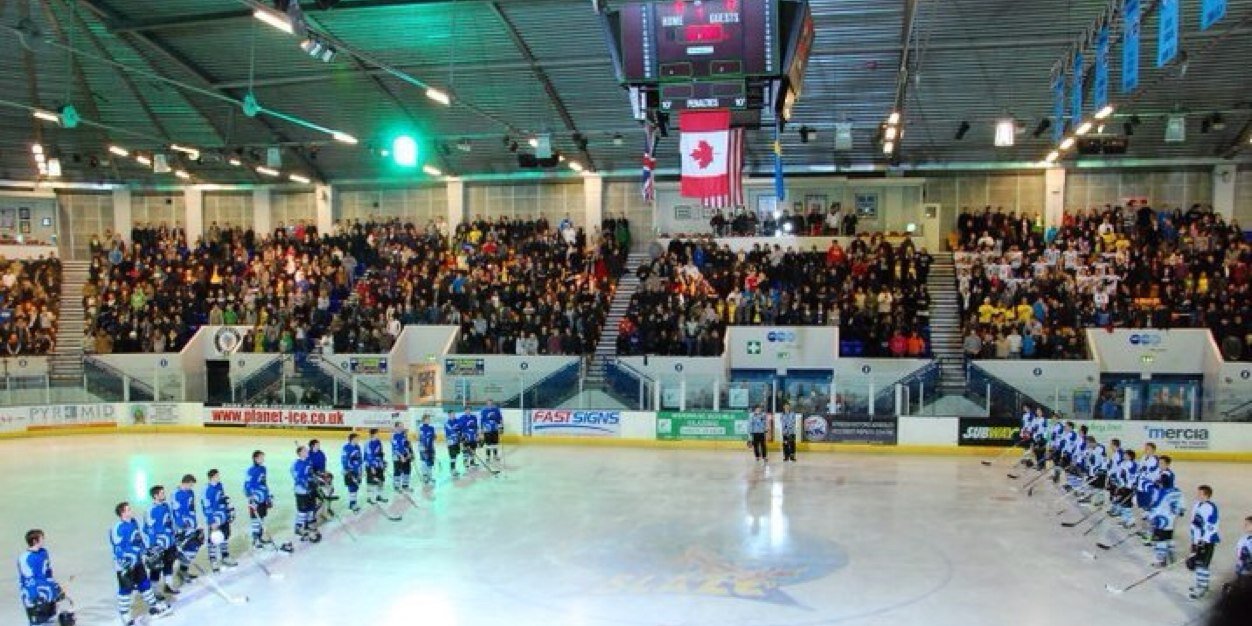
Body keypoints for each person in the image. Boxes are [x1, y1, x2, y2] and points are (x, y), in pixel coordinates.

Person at [110, 502, 171, 624]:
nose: (131, 511)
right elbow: (118, 548)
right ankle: (125, 616)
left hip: (137, 562)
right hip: (125, 565)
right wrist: (126, 560)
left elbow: (138, 540)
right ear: (122, 513)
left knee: (144, 584)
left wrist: (146, 551)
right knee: (125, 590)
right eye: (128, 510)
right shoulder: (117, 528)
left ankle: (153, 607)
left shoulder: (133, 522)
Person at [17, 529, 72, 626]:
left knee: (52, 621)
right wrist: (35, 596)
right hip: (34, 597)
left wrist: (57, 589)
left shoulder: (43, 552)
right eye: (42, 538)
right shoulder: (24, 558)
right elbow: (28, 580)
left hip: (49, 594)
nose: (44, 540)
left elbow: (48, 574)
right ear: (35, 541)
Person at [143, 485, 179, 599]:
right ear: (156, 495)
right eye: (162, 493)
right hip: (159, 545)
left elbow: (170, 522)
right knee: (156, 568)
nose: (164, 494)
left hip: (169, 542)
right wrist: (153, 546)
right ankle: (154, 590)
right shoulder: (150, 510)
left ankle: (168, 585)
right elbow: (148, 529)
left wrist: (174, 534)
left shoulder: (166, 506)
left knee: (169, 564)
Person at [1188, 484, 1221, 600]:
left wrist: (1203, 540)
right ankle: (1202, 584)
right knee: (1197, 563)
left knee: (1202, 564)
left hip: (1206, 542)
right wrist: (1194, 541)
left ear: (1206, 495)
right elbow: (1194, 523)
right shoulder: (1197, 505)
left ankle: (1201, 588)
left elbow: (1212, 526)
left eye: (1200, 493)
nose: (1197, 495)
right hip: (1197, 541)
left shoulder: (1211, 508)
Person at [201, 469, 238, 571]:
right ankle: (213, 561)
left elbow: (222, 498)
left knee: (225, 536)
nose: (219, 477)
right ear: (212, 477)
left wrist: (229, 509)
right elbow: (206, 506)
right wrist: (211, 521)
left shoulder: (219, 485)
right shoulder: (206, 490)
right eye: (217, 476)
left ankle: (225, 556)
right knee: (213, 539)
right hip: (214, 518)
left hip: (223, 516)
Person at [1148, 470, 1184, 567]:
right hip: (1171, 519)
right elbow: (1181, 508)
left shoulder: (1162, 493)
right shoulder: (1177, 491)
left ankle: (1161, 560)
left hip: (1161, 520)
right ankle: (1172, 556)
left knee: (1160, 540)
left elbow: (1156, 507)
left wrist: (1151, 517)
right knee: (1169, 537)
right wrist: (1179, 511)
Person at [170, 474, 202, 587]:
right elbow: (176, 513)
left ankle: (184, 570)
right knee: (177, 552)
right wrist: (182, 526)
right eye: (191, 484)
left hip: (190, 526)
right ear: (185, 483)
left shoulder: (190, 493)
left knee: (193, 546)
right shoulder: (176, 494)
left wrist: (195, 524)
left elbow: (192, 509)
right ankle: (169, 581)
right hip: (180, 528)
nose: (191, 487)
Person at [244, 450, 278, 550]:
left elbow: (264, 483)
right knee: (255, 519)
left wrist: (268, 496)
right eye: (261, 457)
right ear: (255, 459)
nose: (263, 459)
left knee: (261, 517)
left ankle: (260, 537)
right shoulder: (251, 471)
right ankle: (255, 540)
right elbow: (246, 485)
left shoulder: (263, 469)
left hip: (262, 497)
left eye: (263, 457)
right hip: (255, 498)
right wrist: (251, 498)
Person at [291, 445, 321, 543]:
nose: (307, 451)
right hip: (302, 491)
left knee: (311, 509)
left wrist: (315, 479)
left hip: (310, 490)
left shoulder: (308, 461)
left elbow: (310, 474)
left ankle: (308, 526)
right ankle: (299, 528)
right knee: (303, 511)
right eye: (305, 450)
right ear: (300, 453)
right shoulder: (297, 464)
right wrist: (307, 484)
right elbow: (298, 478)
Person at [363, 429, 388, 504]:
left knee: (381, 480)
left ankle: (378, 496)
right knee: (371, 481)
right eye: (377, 433)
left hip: (379, 464)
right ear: (373, 434)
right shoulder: (368, 443)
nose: (378, 435)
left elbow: (380, 453)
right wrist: (372, 467)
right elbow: (368, 456)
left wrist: (382, 462)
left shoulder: (378, 441)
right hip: (371, 465)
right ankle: (369, 497)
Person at [341, 433, 364, 513]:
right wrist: (347, 470)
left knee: (356, 487)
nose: (358, 440)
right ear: (353, 439)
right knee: (352, 487)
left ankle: (354, 502)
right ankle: (352, 504)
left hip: (357, 470)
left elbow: (360, 459)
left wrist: (361, 470)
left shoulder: (358, 447)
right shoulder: (346, 448)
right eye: (357, 438)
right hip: (350, 471)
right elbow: (344, 460)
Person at [391, 421, 413, 492]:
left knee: (407, 470)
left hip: (405, 455)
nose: (402, 428)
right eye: (401, 426)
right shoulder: (393, 436)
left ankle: (405, 486)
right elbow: (395, 448)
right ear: (396, 427)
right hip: (397, 456)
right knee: (398, 471)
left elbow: (406, 445)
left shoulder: (404, 435)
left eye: (403, 426)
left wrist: (409, 453)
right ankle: (396, 486)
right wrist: (401, 456)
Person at [418, 413, 437, 485]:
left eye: (429, 419)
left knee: (430, 463)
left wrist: (434, 437)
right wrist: (422, 447)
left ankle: (430, 476)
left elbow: (433, 437)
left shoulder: (431, 428)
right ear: (423, 420)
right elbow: (419, 438)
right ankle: (424, 476)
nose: (429, 420)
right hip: (422, 448)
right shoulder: (420, 428)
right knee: (424, 462)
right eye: (427, 419)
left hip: (430, 447)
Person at [445, 410, 463, 477]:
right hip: (451, 441)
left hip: (457, 441)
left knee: (455, 455)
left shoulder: (457, 421)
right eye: (452, 414)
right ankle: (452, 469)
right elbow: (451, 431)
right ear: (449, 415)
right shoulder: (447, 423)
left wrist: (461, 435)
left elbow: (460, 428)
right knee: (452, 456)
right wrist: (457, 433)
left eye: (454, 414)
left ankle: (454, 468)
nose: (453, 415)